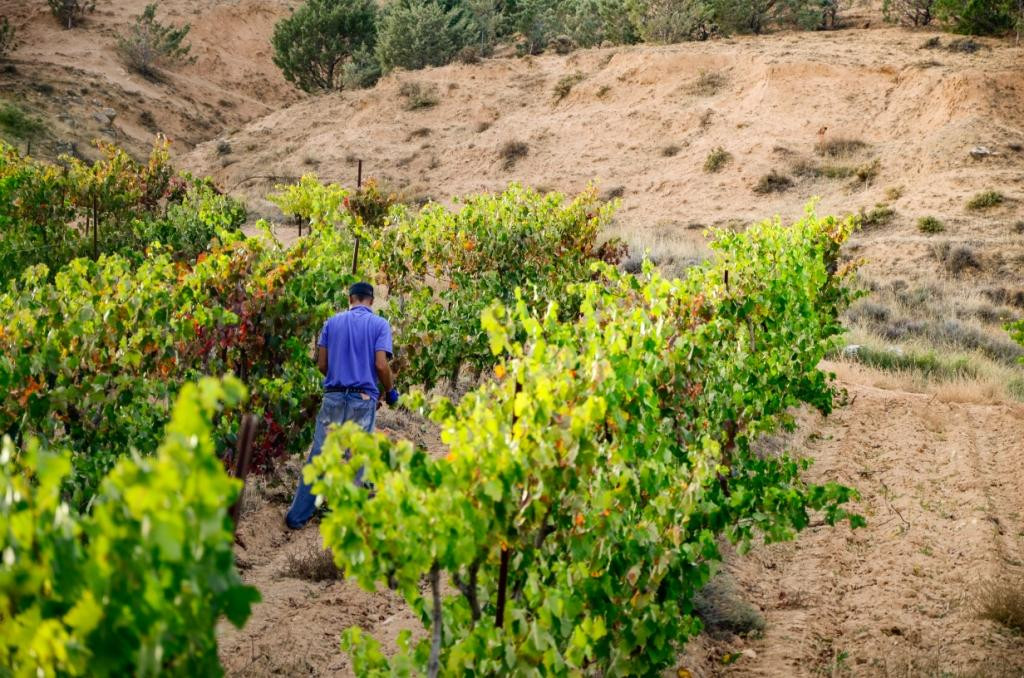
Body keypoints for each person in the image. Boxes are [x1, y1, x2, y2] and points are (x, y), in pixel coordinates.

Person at [285, 281, 398, 529]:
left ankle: (297, 516)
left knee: (319, 456)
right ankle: (353, 518)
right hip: (363, 398)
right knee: (358, 459)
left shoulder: (331, 323)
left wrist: (339, 377)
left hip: (333, 396)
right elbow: (381, 365)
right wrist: (390, 390)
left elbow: (322, 365)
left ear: (350, 299)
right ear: (371, 300)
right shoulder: (380, 325)